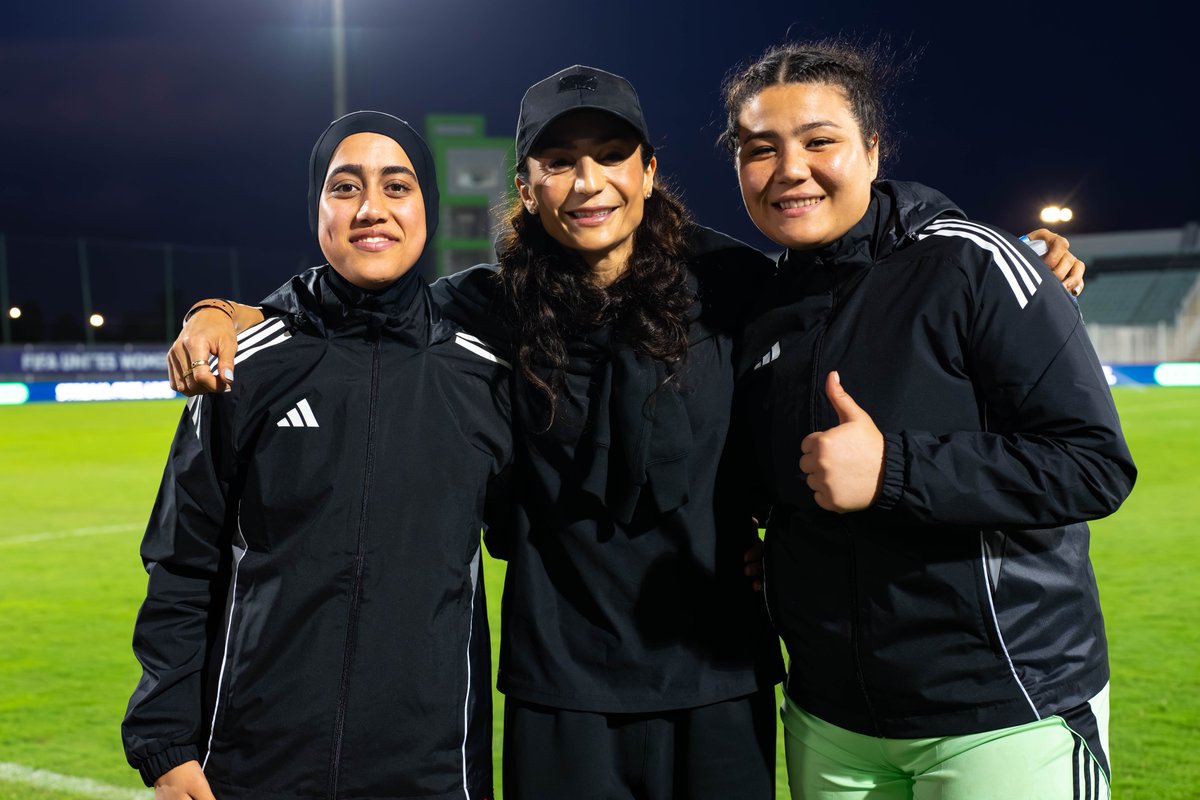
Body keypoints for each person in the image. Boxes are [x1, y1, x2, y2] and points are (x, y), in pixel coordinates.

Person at [166, 66, 1085, 799]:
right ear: (525, 186)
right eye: (559, 162)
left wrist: (1012, 260)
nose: (588, 181)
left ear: (649, 170)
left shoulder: (736, 286)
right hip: (555, 690)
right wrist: (226, 312)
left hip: (719, 677)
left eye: (611, 155)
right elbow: (361, 310)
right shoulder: (484, 307)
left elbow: (860, 269)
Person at [721, 41, 1136, 799]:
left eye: (820, 141)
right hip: (828, 720)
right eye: (759, 149)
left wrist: (894, 472)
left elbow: (1093, 464)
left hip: (1003, 715)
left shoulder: (972, 264)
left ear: (872, 149)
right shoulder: (760, 308)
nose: (790, 169)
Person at [122, 111, 512, 800]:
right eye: (344, 187)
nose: (371, 209)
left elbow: (542, 533)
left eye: (397, 187)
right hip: (254, 763)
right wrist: (167, 742)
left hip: (428, 769)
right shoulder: (245, 370)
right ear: (318, 210)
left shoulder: (482, 376)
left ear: (427, 209)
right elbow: (182, 563)